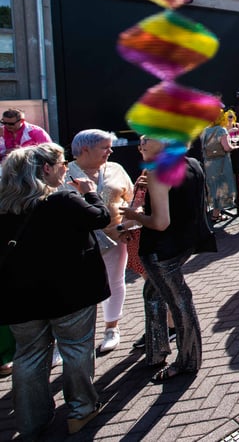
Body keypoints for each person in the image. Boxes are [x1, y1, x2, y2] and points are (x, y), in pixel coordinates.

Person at [0, 143, 108, 436]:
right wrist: (89, 191)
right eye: (62, 163)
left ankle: (30, 421)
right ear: (45, 169)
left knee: (28, 355)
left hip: (19, 296)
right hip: (70, 293)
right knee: (76, 349)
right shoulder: (63, 200)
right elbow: (101, 217)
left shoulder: (4, 205)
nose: (66, 168)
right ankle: (81, 410)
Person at [121, 136, 210, 382]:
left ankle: (187, 360)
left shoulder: (160, 172)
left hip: (162, 251)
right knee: (153, 294)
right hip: (182, 246)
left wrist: (133, 215)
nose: (140, 146)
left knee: (179, 302)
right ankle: (156, 349)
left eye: (146, 140)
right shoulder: (191, 163)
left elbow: (160, 222)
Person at [66, 130, 134, 356]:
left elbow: (132, 199)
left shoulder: (115, 169)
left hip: (115, 238)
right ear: (85, 149)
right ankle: (70, 337)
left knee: (115, 282)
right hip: (76, 243)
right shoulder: (64, 173)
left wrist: (126, 224)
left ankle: (111, 329)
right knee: (75, 286)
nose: (111, 151)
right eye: (105, 147)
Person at [200, 111, 235, 223]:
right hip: (221, 162)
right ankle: (216, 215)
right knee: (221, 187)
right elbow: (226, 147)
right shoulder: (221, 130)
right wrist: (234, 146)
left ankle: (212, 213)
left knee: (211, 187)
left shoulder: (205, 131)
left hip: (208, 162)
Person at [225, 109, 239, 208]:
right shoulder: (223, 128)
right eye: (229, 117)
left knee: (236, 176)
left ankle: (238, 198)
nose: (230, 119)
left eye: (232, 116)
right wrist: (229, 133)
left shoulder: (238, 125)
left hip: (237, 152)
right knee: (227, 176)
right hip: (227, 153)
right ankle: (228, 198)